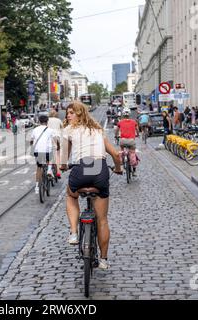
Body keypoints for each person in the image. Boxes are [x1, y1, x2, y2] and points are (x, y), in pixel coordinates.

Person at [60, 102, 122, 270]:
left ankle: (74, 232)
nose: (68, 116)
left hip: (80, 171)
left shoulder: (68, 131)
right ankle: (103, 259)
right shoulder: (98, 131)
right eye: (67, 113)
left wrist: (63, 166)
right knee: (102, 219)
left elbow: (64, 157)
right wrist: (118, 169)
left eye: (71, 113)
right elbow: (116, 154)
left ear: (80, 114)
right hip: (100, 172)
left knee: (71, 196)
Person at [31, 115, 55, 194]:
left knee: (39, 168)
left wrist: (32, 144)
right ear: (47, 122)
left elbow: (31, 140)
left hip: (38, 151)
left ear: (39, 121)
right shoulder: (50, 130)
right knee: (51, 158)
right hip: (47, 151)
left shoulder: (35, 130)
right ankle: (49, 170)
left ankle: (37, 187)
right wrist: (57, 145)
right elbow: (54, 139)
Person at [116, 108, 140, 175]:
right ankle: (134, 170)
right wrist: (137, 134)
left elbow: (116, 130)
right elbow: (137, 129)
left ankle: (122, 162)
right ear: (129, 114)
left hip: (123, 141)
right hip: (131, 141)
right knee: (133, 153)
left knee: (121, 150)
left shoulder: (120, 122)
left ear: (123, 115)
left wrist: (116, 136)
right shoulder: (134, 122)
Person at [48, 109, 63, 180]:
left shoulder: (47, 120)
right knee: (58, 154)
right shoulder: (58, 120)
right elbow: (62, 128)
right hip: (57, 137)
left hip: (49, 137)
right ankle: (58, 172)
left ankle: (49, 169)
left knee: (49, 153)